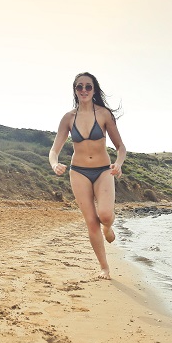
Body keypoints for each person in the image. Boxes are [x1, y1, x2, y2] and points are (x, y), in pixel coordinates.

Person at [49, 72, 126, 280]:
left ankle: (108, 228)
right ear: (75, 90)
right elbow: (54, 150)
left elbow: (120, 147)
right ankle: (104, 268)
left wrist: (118, 164)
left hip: (103, 170)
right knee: (91, 222)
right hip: (78, 172)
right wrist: (55, 164)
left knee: (105, 215)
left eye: (88, 87)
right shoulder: (68, 118)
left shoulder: (104, 114)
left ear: (94, 90)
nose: (83, 90)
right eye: (79, 87)